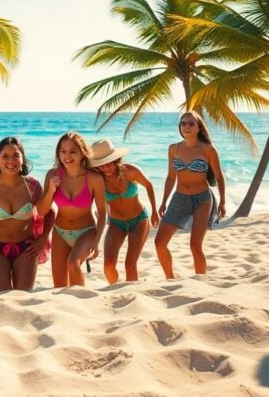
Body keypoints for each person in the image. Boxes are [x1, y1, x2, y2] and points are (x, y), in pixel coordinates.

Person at [0, 137, 52, 291]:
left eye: (15, 156)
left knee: (22, 297)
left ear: (22, 159)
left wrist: (42, 240)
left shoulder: (32, 186)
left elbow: (49, 212)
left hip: (26, 247)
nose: (10, 160)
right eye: (5, 156)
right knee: (2, 296)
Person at [155, 111, 226, 278]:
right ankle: (170, 279)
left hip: (202, 199)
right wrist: (164, 201)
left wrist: (222, 202)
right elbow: (171, 177)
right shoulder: (173, 149)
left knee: (195, 245)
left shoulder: (208, 150)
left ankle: (201, 280)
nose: (186, 126)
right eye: (183, 123)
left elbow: (220, 177)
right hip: (179, 198)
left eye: (190, 123)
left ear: (198, 127)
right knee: (159, 243)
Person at [37, 132, 107, 287]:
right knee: (59, 285)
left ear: (82, 153)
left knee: (73, 264)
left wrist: (97, 241)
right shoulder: (52, 175)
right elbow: (42, 211)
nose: (67, 156)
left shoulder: (94, 178)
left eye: (72, 151)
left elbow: (102, 213)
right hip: (60, 232)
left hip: (86, 231)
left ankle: (82, 301)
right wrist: (51, 191)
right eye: (63, 151)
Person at [93, 139, 158, 284]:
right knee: (108, 266)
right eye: (101, 165)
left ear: (116, 159)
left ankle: (133, 295)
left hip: (139, 220)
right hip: (116, 224)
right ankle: (115, 289)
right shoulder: (97, 180)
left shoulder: (130, 171)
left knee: (130, 265)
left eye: (109, 162)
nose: (106, 168)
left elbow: (148, 185)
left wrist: (154, 210)